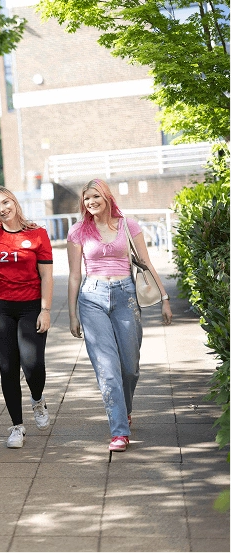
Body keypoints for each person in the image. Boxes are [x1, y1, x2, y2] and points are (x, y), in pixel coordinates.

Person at [67, 178, 172, 452]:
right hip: (92, 298)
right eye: (86, 198)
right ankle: (119, 431)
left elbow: (146, 263)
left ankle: (124, 409)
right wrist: (72, 315)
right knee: (107, 369)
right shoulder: (78, 231)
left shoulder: (128, 225)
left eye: (95, 197)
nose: (91, 202)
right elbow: (74, 275)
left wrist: (164, 298)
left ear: (107, 198)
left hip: (126, 295)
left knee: (130, 366)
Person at [0, 187, 54, 449]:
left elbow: (47, 276)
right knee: (8, 368)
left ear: (14, 202)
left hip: (31, 307)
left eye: (6, 202)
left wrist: (46, 310)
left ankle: (37, 399)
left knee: (33, 365)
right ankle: (17, 426)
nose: (2, 208)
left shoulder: (37, 234)